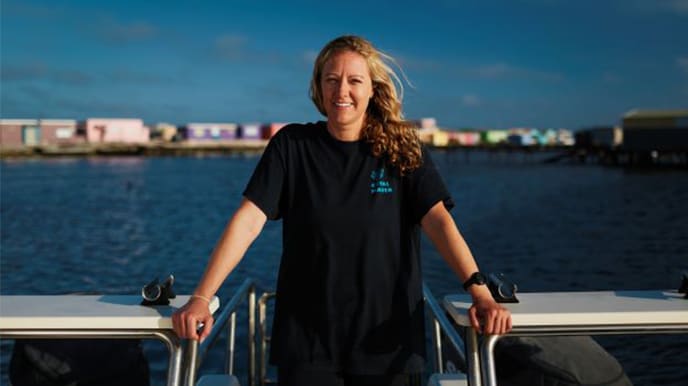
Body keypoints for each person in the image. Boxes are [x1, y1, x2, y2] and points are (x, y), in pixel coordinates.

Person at [172, 35, 511, 386]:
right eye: (331, 80)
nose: (341, 91)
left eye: (354, 81)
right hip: (307, 343)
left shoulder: (402, 149)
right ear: (318, 87)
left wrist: (480, 293)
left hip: (387, 342)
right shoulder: (292, 146)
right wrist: (201, 297)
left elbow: (439, 222)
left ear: (372, 89)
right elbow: (247, 221)